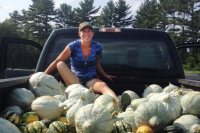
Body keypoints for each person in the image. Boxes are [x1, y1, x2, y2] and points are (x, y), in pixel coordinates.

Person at [45, 22, 118, 100]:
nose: (86, 33)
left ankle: (117, 105)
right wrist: (43, 74)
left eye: (89, 31)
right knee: (60, 63)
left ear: (92, 33)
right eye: (83, 31)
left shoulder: (97, 47)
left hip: (90, 79)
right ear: (79, 33)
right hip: (75, 79)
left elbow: (97, 63)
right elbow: (57, 60)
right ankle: (80, 91)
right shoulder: (72, 46)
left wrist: (104, 74)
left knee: (103, 86)